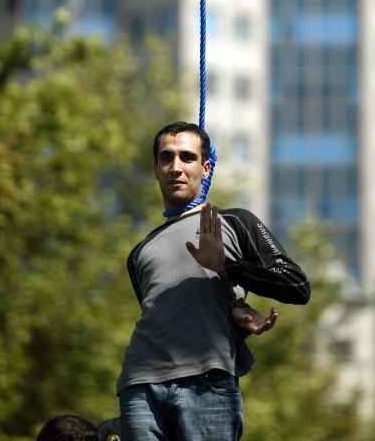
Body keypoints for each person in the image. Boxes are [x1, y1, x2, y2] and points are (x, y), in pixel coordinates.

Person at [117, 121, 311, 441]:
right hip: (140, 383)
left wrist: (227, 268)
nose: (175, 167)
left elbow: (296, 286)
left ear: (206, 168)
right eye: (166, 158)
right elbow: (177, 315)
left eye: (187, 157)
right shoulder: (139, 252)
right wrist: (233, 306)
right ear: (155, 169)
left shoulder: (234, 222)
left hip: (207, 382)